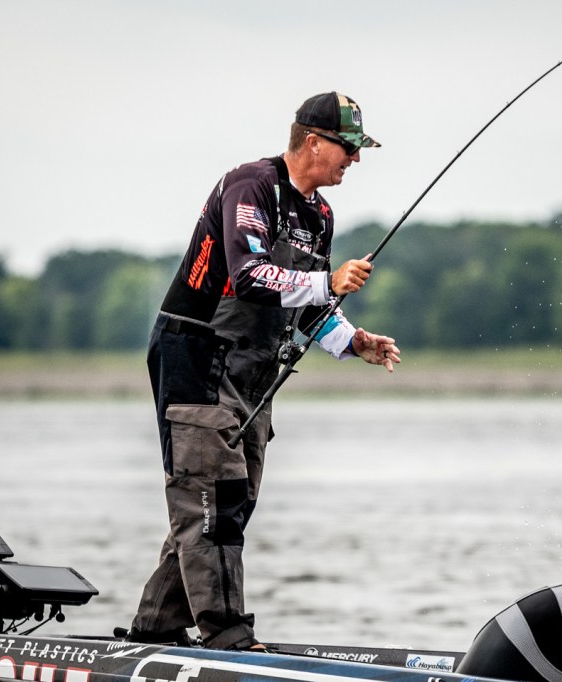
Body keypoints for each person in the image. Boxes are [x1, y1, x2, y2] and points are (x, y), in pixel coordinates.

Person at [122, 92, 401, 652]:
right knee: (213, 501)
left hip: (252, 372)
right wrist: (329, 282)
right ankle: (227, 638)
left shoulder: (320, 215)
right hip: (197, 354)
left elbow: (305, 305)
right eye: (349, 147)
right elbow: (250, 276)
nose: (355, 159)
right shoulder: (251, 186)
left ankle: (155, 629)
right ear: (313, 142)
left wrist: (353, 342)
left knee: (230, 500)